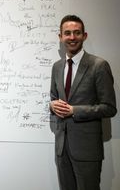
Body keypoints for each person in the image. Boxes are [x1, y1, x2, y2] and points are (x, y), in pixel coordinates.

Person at [50, 14, 117, 190]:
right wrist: (51, 105)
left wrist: (75, 111)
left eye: (77, 33)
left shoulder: (99, 65)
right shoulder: (57, 66)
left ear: (84, 36)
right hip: (62, 149)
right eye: (67, 33)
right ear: (60, 37)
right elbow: (53, 97)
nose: (72, 37)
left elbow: (109, 108)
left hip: (87, 151)